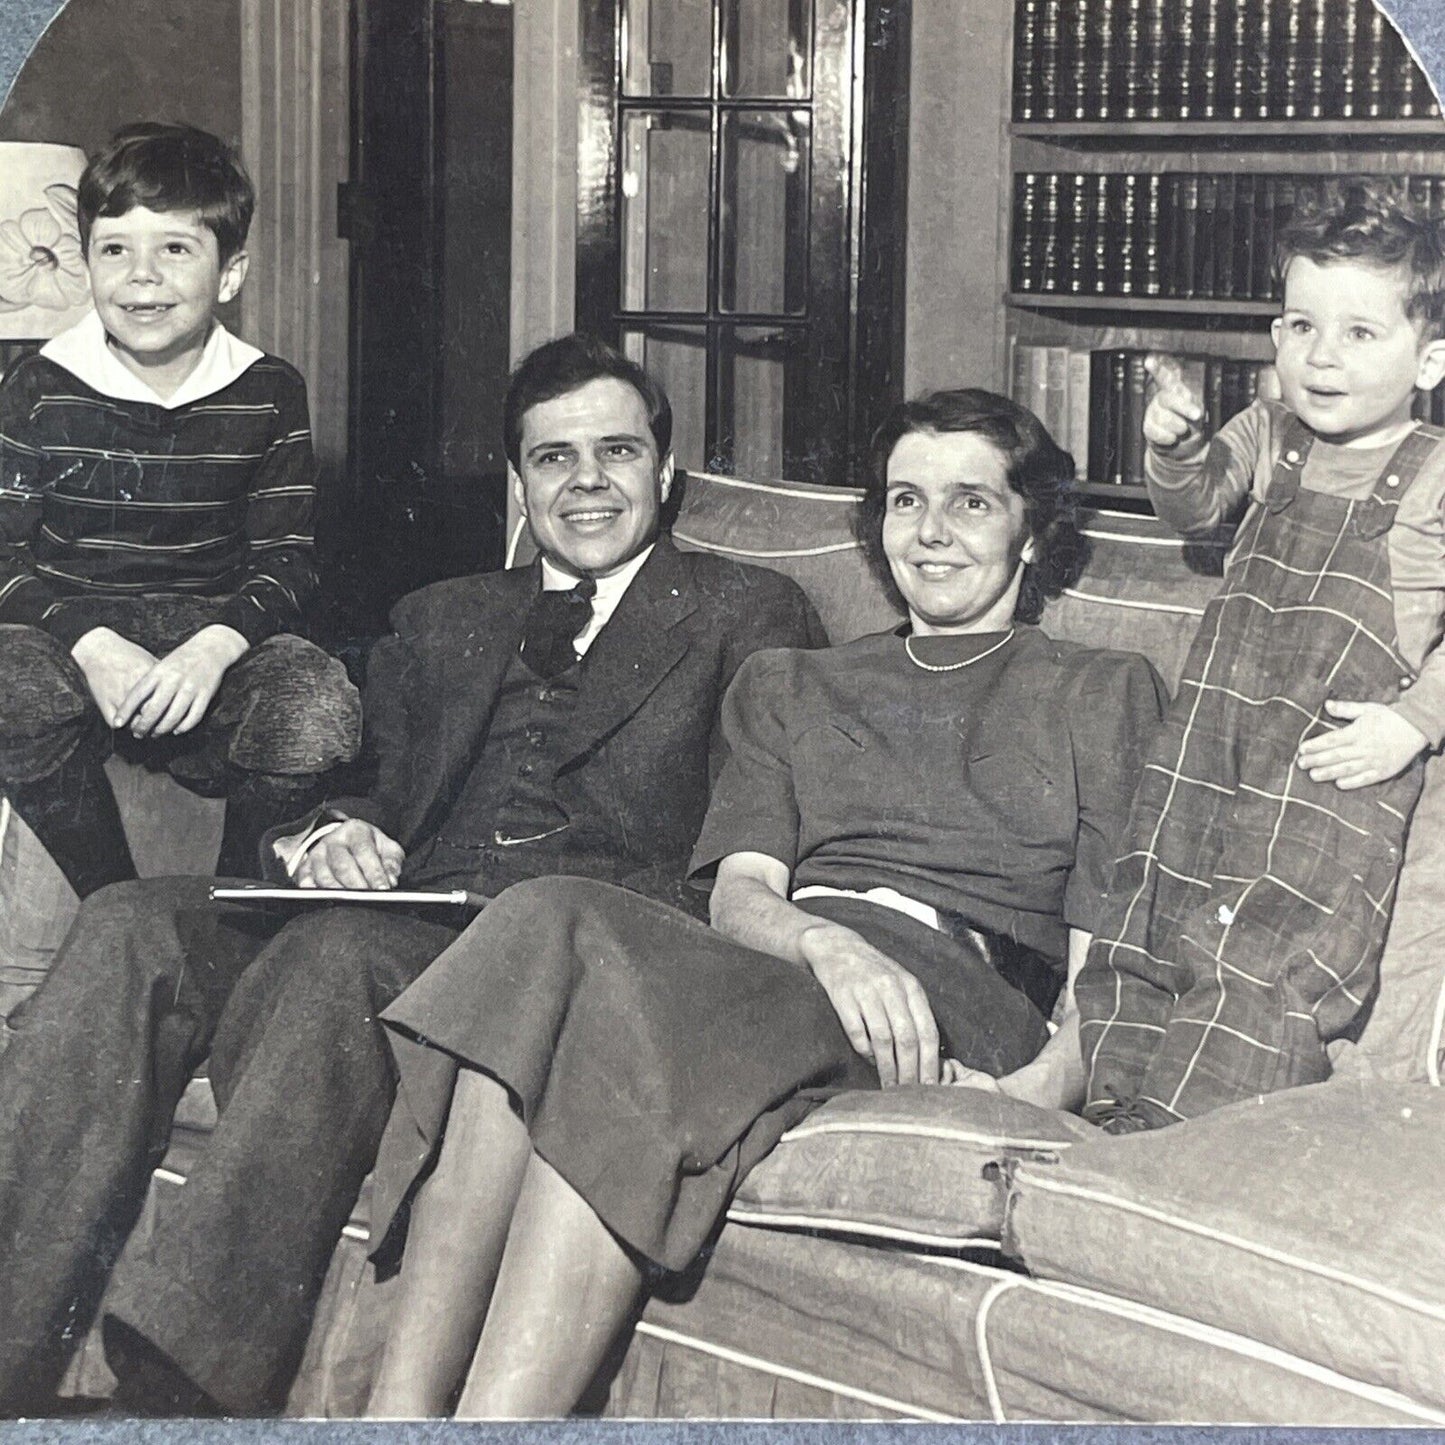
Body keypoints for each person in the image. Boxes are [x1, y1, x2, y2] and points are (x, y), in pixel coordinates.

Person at [0, 333, 822, 1416]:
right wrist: (325, 834)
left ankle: (181, 1387)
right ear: (521, 485)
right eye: (552, 458)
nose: (585, 482)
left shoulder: (744, 613)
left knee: (337, 953)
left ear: (663, 475)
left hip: (553, 944)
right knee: (129, 919)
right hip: (404, 896)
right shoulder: (447, 614)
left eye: (615, 453)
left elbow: (745, 826)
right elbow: (361, 781)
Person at [361, 387, 1167, 1419]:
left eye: (969, 503)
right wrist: (825, 943)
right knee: (547, 911)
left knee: (601, 997)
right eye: (903, 500)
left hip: (947, 989)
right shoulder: (791, 683)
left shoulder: (1101, 687)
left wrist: (1038, 1087)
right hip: (799, 960)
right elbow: (742, 892)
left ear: (1029, 529)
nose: (928, 532)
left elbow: (1114, 938)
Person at [1076, 177, 1445, 1133]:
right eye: (1296, 325)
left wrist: (1414, 720)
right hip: (1208, 738)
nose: (1319, 358)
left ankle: (1179, 1152)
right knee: (1149, 910)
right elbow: (1196, 511)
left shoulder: (1434, 475)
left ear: (1432, 356)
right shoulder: (1267, 434)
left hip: (1327, 773)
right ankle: (1111, 1123)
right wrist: (1174, 448)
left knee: (1262, 955)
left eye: (1359, 334)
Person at [0, 122, 359, 890]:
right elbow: (4, 557)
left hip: (211, 644)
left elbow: (290, 561)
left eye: (174, 249)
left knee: (317, 706)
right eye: (114, 249)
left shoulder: (268, 389)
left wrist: (215, 647)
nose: (141, 278)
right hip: (73, 636)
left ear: (230, 275)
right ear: (86, 261)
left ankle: (235, 902)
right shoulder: (40, 385)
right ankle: (111, 897)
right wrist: (92, 644)